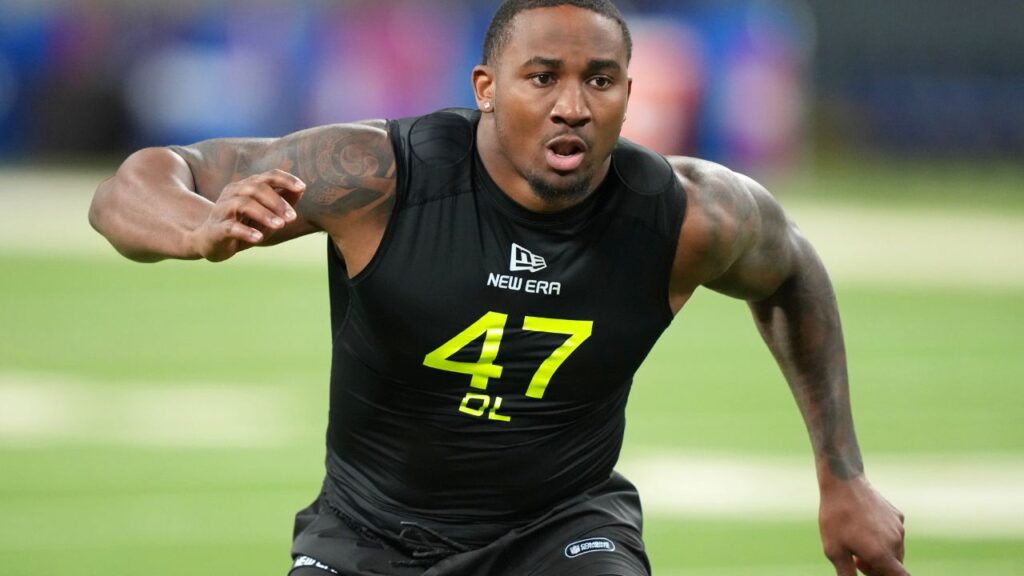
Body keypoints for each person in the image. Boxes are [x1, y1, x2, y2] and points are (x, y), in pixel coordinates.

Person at [89, 1, 909, 575]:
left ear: (630, 91)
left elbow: (793, 273)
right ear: (486, 88)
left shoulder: (686, 214)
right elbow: (135, 183)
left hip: (563, 528)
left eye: (600, 81)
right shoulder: (381, 175)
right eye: (543, 77)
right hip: (367, 535)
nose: (572, 107)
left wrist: (843, 479)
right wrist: (195, 227)